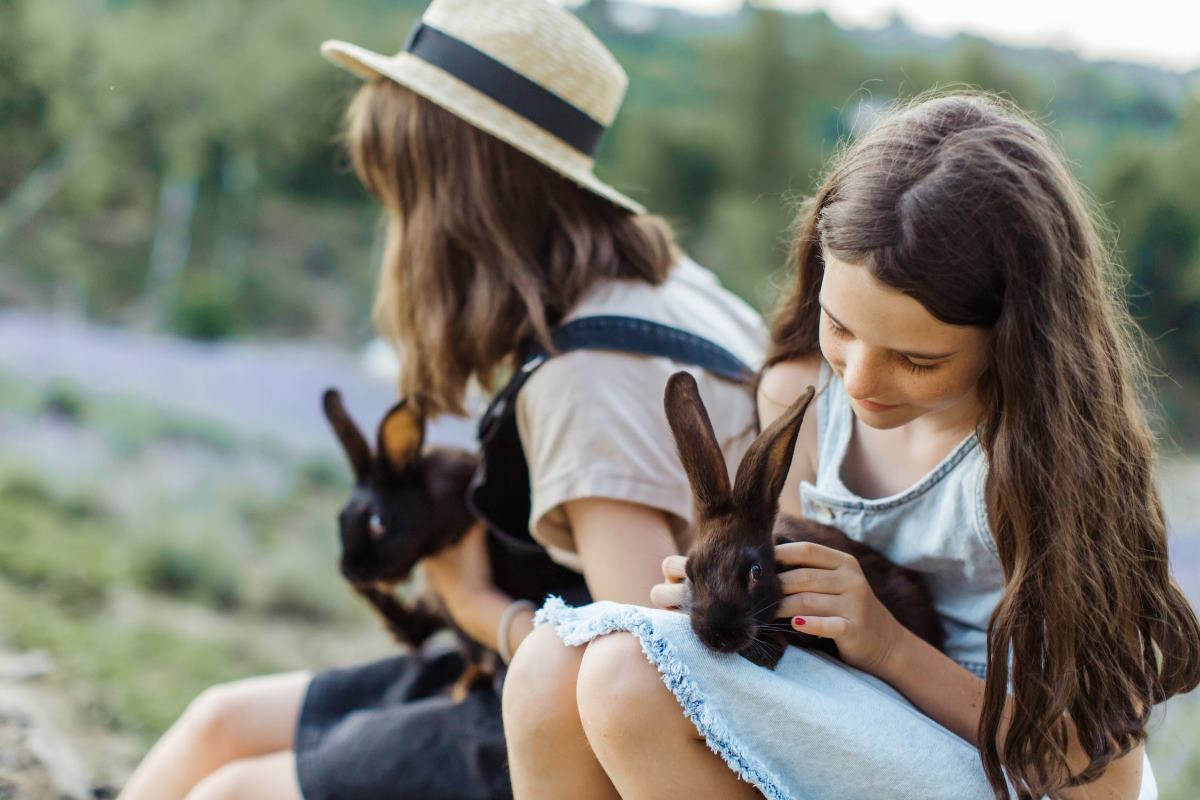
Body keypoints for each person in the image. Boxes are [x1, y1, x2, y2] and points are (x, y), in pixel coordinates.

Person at [115, 1, 766, 798]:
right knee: (218, 721)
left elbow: (649, 679)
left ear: (459, 205)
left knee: (235, 792)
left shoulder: (585, 375)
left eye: (402, 194)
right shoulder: (671, 285)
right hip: (518, 668)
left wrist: (472, 599)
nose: (395, 227)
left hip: (560, 735)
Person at [503, 91, 1200, 800]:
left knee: (630, 679)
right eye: (839, 327)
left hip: (1015, 771)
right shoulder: (800, 399)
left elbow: (1100, 785)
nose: (861, 380)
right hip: (866, 720)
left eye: (917, 360)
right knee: (548, 668)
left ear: (1013, 339)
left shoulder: (1046, 467)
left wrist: (887, 646)